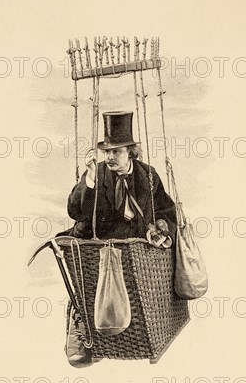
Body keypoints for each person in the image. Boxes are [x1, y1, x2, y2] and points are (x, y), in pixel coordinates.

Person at [62, 111, 177, 367]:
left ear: (131, 152)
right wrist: (89, 179)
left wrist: (160, 227)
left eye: (117, 152)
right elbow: (74, 211)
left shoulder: (148, 175)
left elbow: (168, 211)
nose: (110, 157)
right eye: (107, 152)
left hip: (133, 245)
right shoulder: (97, 173)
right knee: (90, 285)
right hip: (97, 242)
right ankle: (81, 328)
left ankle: (134, 336)